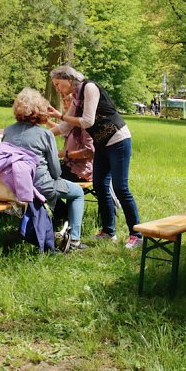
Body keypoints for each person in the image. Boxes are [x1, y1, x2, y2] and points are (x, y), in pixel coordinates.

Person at [47, 65, 143, 249]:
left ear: (68, 79)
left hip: (118, 140)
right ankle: (109, 232)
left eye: (58, 84)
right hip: (102, 144)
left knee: (120, 187)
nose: (58, 89)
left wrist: (60, 115)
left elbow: (87, 121)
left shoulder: (89, 88)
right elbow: (65, 127)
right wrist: (43, 136)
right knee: (100, 186)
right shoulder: (76, 97)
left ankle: (136, 234)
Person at [2, 88, 87, 251]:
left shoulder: (8, 131)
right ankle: (74, 240)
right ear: (40, 110)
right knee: (77, 192)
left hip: (13, 186)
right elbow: (56, 172)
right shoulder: (45, 135)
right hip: (40, 187)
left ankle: (53, 222)